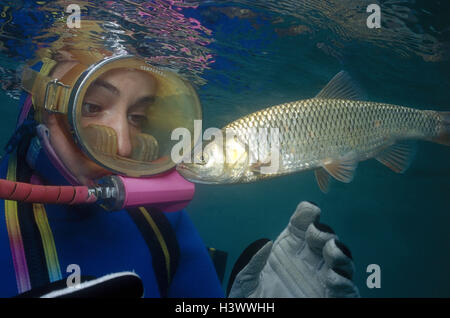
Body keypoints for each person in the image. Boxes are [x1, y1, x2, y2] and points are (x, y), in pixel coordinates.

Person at [0, 30, 359, 299]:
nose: (123, 144)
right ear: (42, 102)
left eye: (138, 117)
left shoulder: (158, 217)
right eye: (91, 107)